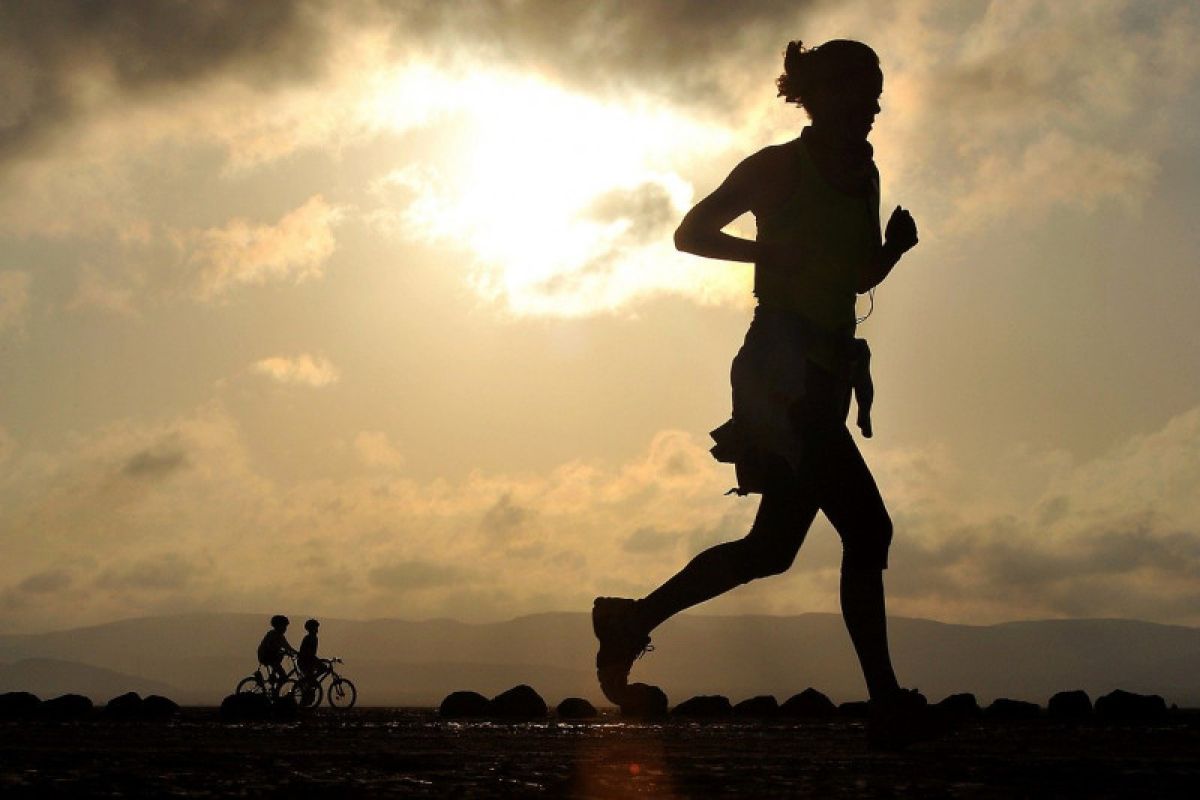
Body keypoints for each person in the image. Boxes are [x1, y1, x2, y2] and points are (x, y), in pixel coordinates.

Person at [593, 39, 927, 746]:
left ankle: (632, 619)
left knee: (770, 550)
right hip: (779, 371)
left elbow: (854, 277)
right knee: (868, 528)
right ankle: (887, 701)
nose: (873, 104)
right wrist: (768, 252)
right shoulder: (777, 168)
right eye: (860, 89)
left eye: (877, 90)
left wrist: (893, 251)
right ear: (819, 94)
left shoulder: (865, 174)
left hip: (829, 374)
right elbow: (690, 234)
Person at [257, 614, 297, 689]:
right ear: (279, 626)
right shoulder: (272, 634)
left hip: (271, 657)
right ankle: (276, 691)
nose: (285, 629)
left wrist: (296, 653)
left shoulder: (279, 635)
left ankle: (273, 682)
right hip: (267, 657)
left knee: (277, 667)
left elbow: (287, 646)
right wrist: (282, 651)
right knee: (283, 676)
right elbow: (271, 647)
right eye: (284, 626)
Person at [297, 618, 329, 683]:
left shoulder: (312, 637)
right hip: (305, 661)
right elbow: (309, 653)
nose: (317, 630)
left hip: (308, 660)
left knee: (313, 676)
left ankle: (310, 680)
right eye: (316, 628)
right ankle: (310, 680)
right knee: (323, 668)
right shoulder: (310, 638)